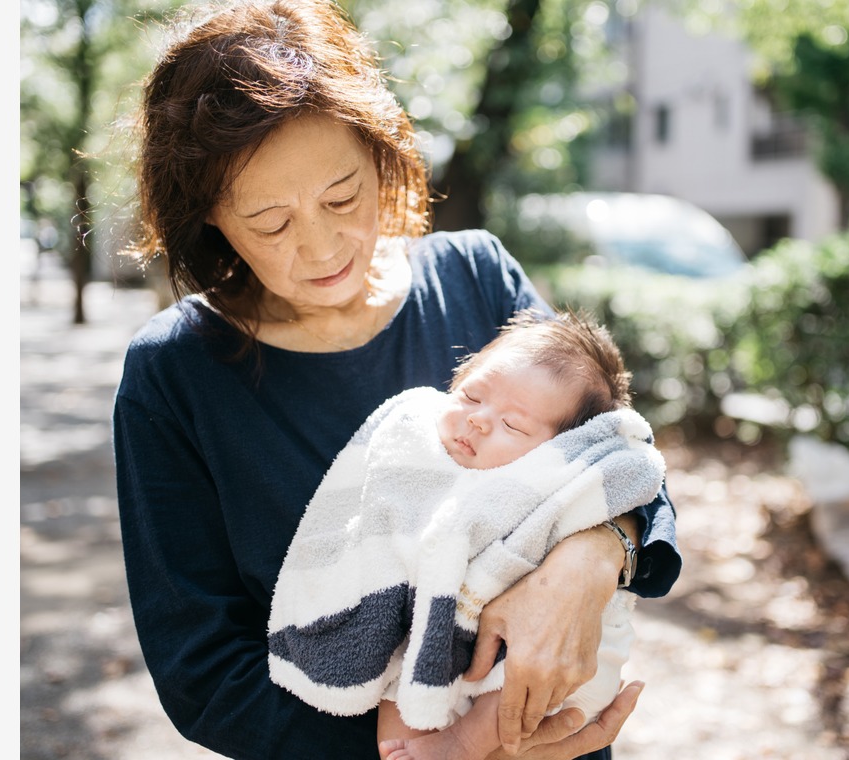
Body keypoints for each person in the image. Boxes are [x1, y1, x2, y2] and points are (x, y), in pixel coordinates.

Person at [112, 1, 681, 758]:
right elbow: (203, 674)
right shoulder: (174, 373)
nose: (322, 247)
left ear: (380, 154)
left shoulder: (476, 275)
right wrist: (455, 748)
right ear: (210, 217)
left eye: (342, 197)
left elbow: (620, 454)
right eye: (272, 222)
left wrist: (595, 554)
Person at [266, 310, 666, 760]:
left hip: (550, 662)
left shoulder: (554, 482)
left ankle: (464, 742)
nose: (479, 420)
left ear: (561, 447)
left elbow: (632, 482)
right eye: (472, 396)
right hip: (440, 627)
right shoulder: (415, 445)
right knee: (400, 668)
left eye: (514, 425)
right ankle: (402, 750)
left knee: (526, 667)